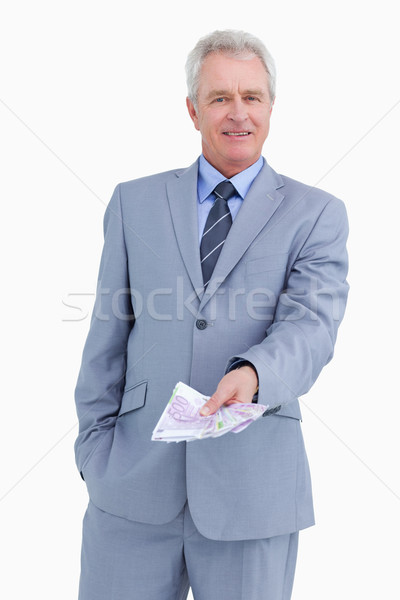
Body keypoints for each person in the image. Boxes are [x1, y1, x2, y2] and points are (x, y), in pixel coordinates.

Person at [74, 29, 349, 600]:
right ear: (193, 109)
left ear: (271, 107)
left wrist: (253, 375)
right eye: (220, 97)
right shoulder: (133, 202)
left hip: (252, 492)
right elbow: (107, 333)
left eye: (252, 96)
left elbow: (312, 327)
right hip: (130, 488)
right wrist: (92, 453)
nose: (238, 112)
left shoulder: (316, 214)